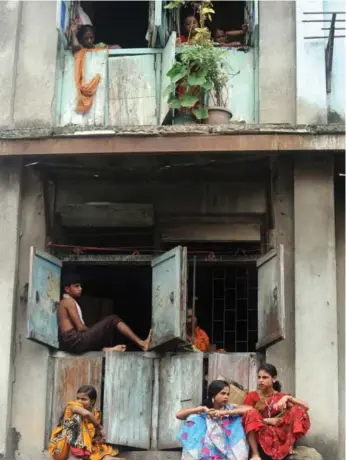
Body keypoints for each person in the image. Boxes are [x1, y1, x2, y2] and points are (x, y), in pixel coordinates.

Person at [58, 274, 151, 354]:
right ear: (67, 288)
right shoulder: (68, 302)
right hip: (75, 341)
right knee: (113, 319)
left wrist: (97, 331)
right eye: (76, 286)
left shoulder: (68, 301)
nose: (80, 289)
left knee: (106, 329)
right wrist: (96, 330)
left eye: (80, 286)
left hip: (72, 343)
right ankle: (141, 344)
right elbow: (80, 327)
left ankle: (106, 349)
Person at [176, 380, 261, 460]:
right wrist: (201, 409)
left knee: (237, 419)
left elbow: (251, 410)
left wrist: (226, 412)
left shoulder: (229, 407)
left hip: (227, 444)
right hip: (207, 444)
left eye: (228, 394)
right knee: (194, 419)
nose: (226, 397)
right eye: (223, 393)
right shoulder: (205, 408)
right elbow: (178, 415)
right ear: (213, 394)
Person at [242, 363, 310, 460]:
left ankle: (289, 445)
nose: (261, 380)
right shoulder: (252, 396)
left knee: (297, 409)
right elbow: (245, 417)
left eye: (265, 377)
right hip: (260, 431)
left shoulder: (281, 396)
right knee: (250, 412)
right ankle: (255, 454)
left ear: (274, 379)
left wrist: (287, 397)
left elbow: (305, 407)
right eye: (259, 377)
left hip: (279, 431)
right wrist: (266, 420)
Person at [49, 385, 123, 460]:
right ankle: (73, 456)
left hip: (85, 445)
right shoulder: (73, 406)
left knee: (102, 455)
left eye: (83, 399)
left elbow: (93, 433)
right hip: (66, 444)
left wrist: (97, 437)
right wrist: (99, 427)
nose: (79, 401)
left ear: (92, 401)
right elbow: (86, 414)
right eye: (78, 398)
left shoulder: (95, 413)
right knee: (76, 419)